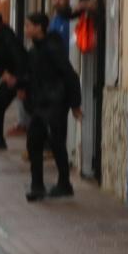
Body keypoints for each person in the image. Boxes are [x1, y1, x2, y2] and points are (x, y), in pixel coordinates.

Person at [18, 12, 82, 201]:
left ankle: (64, 183)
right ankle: (37, 185)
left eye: (28, 25)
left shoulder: (53, 48)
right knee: (34, 141)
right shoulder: (33, 51)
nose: (25, 29)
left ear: (39, 28)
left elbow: (70, 75)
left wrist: (75, 104)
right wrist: (22, 88)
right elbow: (32, 76)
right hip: (41, 104)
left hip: (57, 102)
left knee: (57, 143)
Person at [0, 11, 28, 150]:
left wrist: (21, 85)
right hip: (12, 78)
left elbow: (20, 60)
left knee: (33, 111)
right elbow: (1, 64)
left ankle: (44, 144)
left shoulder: (8, 38)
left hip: (21, 77)